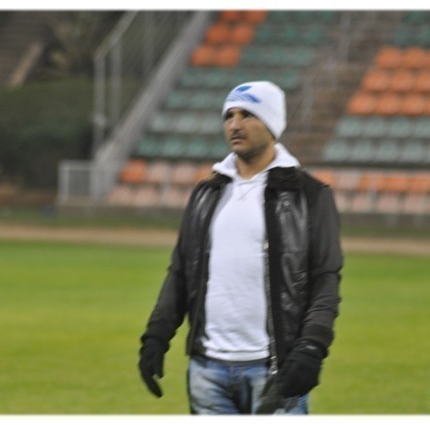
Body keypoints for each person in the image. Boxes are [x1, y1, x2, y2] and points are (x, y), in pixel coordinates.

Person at [138, 81, 343, 414]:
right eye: (229, 116)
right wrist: (156, 336)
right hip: (207, 371)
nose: (234, 125)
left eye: (247, 115)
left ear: (272, 124)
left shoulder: (310, 195)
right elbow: (180, 272)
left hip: (276, 371)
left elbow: (325, 279)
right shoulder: (206, 193)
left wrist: (311, 348)